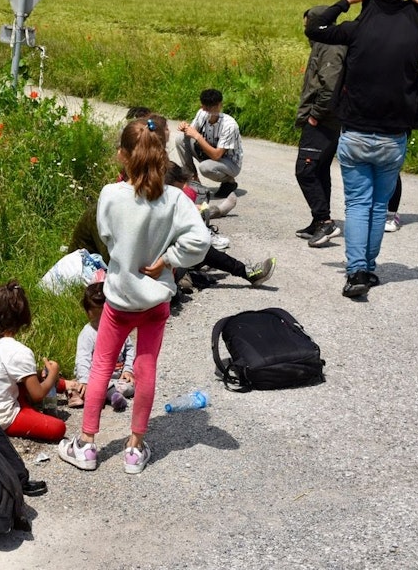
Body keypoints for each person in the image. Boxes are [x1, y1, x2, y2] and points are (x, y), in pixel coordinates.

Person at [58, 117, 210, 475]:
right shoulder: (174, 199)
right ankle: (134, 448)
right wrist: (169, 259)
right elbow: (200, 242)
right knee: (146, 368)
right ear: (162, 157)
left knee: (100, 368)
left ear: (124, 156)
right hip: (155, 301)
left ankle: (87, 444)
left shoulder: (111, 195)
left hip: (120, 300)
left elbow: (109, 238)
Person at [305, 0, 418, 298]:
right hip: (393, 138)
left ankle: (355, 271)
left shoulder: (356, 30)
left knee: (356, 206)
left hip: (354, 134)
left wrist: (346, 0)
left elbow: (315, 27)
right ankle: (367, 269)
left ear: (370, 5)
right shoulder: (417, 35)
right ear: (409, 9)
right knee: (378, 207)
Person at [0, 280, 67, 443]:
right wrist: (53, 374)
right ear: (24, 318)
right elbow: (37, 395)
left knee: (25, 378)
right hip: (2, 419)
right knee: (58, 428)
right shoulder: (19, 351)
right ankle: (55, 389)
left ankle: (65, 385)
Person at [165, 163, 276, 287]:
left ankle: (217, 212)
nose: (180, 194)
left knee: (195, 241)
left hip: (168, 264)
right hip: (159, 273)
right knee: (196, 244)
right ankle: (246, 272)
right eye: (178, 191)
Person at [295, 6, 347, 248]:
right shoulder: (326, 43)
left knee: (305, 170)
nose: (305, 29)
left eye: (307, 24)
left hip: (324, 119)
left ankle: (325, 222)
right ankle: (319, 220)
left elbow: (330, 84)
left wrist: (315, 115)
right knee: (318, 169)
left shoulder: (330, 46)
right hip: (328, 118)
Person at [68, 282, 135, 410]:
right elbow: (83, 358)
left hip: (118, 377)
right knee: (94, 386)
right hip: (95, 376)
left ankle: (107, 394)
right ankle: (110, 396)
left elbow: (129, 349)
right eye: (96, 318)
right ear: (88, 313)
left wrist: (128, 370)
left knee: (131, 386)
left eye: (105, 316)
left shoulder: (119, 329)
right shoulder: (88, 334)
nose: (101, 322)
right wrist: (84, 380)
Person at [177, 88, 243, 199]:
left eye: (215, 106)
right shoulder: (201, 114)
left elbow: (217, 155)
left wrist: (197, 136)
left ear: (220, 105)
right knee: (180, 140)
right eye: (208, 107)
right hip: (209, 153)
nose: (213, 110)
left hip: (229, 162)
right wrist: (185, 127)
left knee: (205, 167)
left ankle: (229, 181)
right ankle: (193, 179)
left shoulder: (229, 125)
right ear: (202, 106)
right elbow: (191, 133)